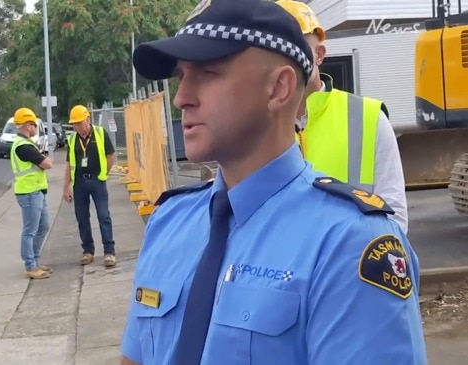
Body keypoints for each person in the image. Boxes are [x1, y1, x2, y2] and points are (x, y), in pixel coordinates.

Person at [120, 0, 427, 364]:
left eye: (207, 73)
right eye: (182, 76)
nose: (181, 98)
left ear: (278, 88)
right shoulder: (168, 222)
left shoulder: (351, 245)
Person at [275, 0, 409, 233]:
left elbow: (393, 215)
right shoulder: (256, 123)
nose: (287, 56)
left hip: (350, 264)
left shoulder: (368, 118)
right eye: (277, 49)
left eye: (296, 45)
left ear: (319, 54)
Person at [63, 105, 117, 267]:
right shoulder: (73, 140)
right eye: (75, 124)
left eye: (80, 123)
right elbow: (68, 163)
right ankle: (88, 251)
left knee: (103, 216)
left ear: (88, 119)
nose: (78, 127)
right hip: (79, 182)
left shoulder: (100, 133)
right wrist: (66, 186)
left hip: (97, 180)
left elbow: (110, 156)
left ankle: (109, 252)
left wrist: (103, 174)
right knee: (82, 218)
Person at [10, 107, 53, 280]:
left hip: (36, 191)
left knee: (43, 227)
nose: (35, 127)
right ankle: (30, 266)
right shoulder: (24, 146)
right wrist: (45, 158)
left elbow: (44, 161)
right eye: (34, 124)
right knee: (30, 231)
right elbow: (47, 163)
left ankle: (35, 261)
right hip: (28, 192)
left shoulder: (26, 144)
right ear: (28, 125)